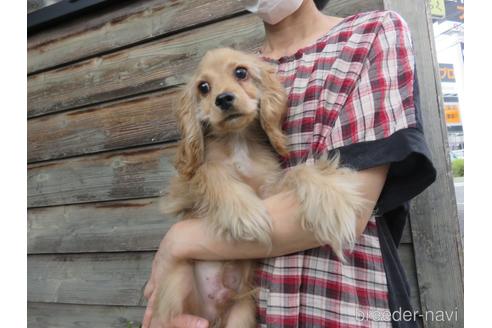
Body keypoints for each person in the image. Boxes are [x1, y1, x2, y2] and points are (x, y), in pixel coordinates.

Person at [142, 0, 437, 327]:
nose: (224, 91)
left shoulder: (369, 35)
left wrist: (179, 241)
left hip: (348, 306)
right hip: (251, 308)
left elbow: (347, 210)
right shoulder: (250, 69)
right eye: (206, 88)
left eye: (240, 75)